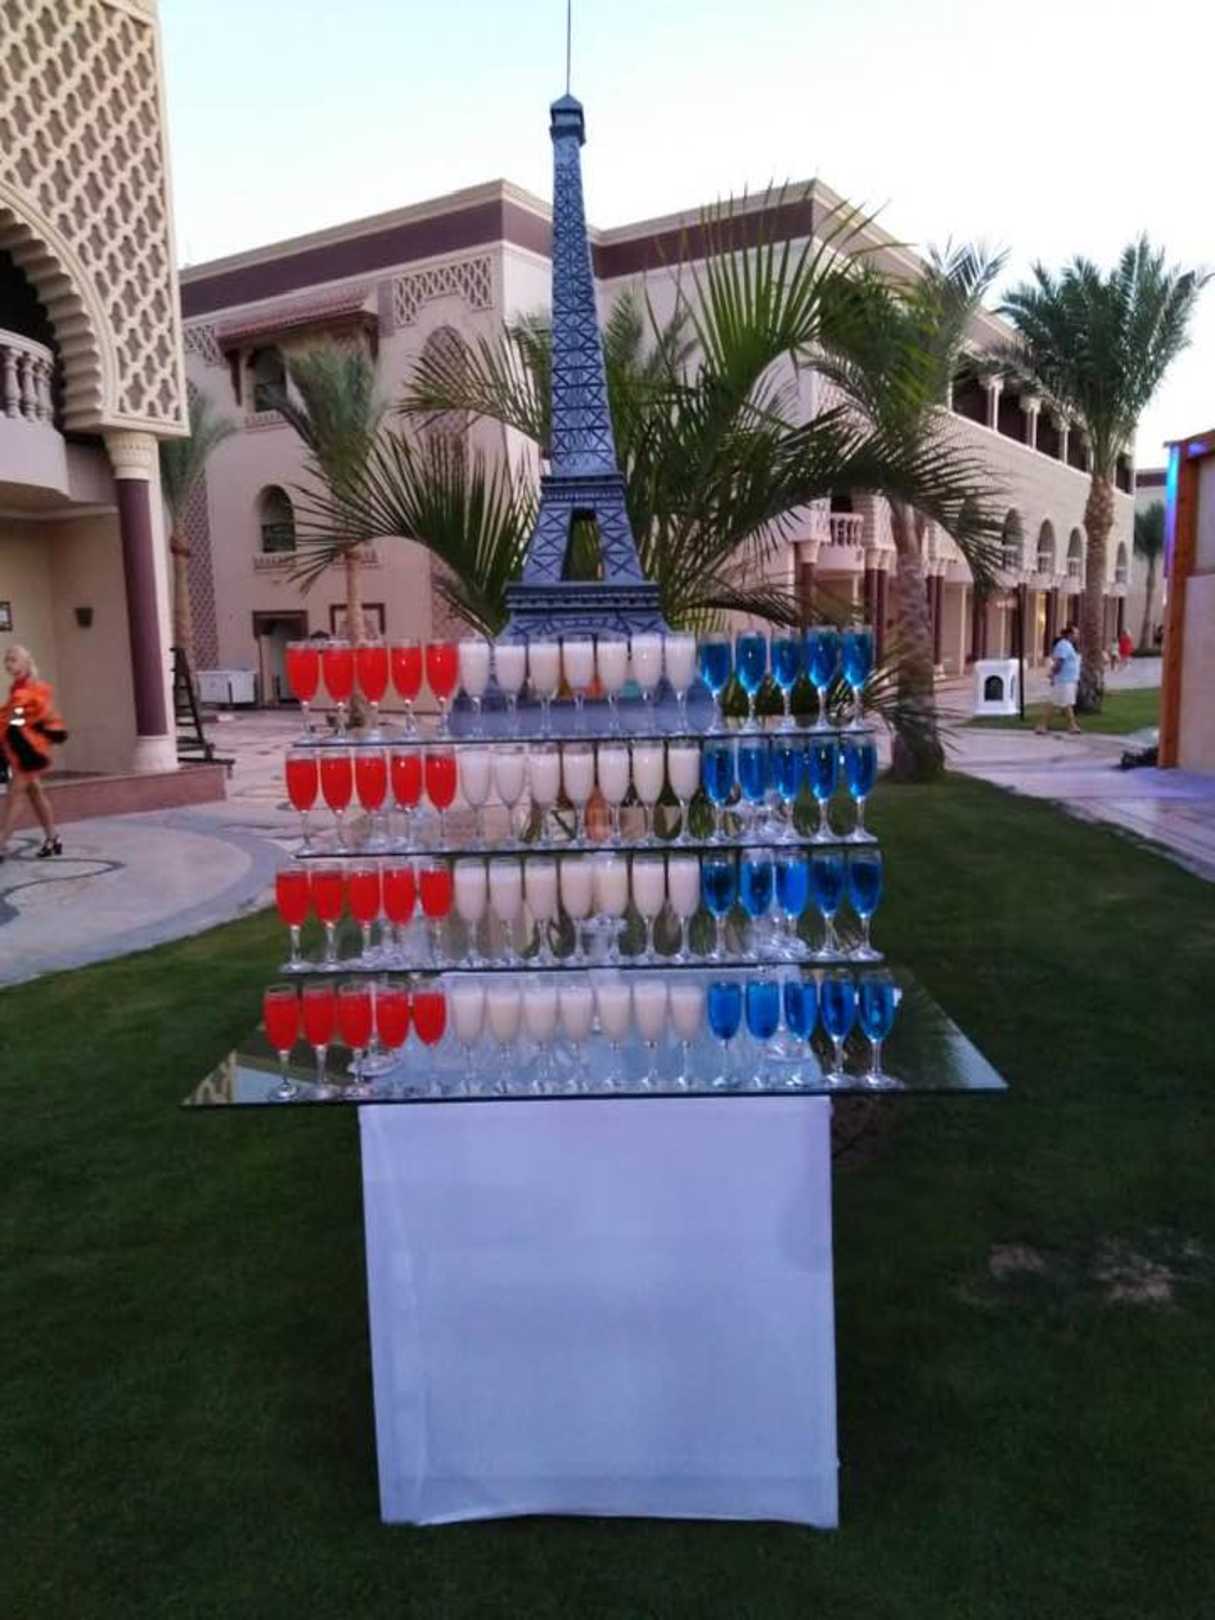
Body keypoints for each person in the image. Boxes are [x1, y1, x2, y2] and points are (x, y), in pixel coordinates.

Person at [0, 645, 67, 860]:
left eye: (13, 660)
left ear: (25, 662)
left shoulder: (28, 689)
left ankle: (1, 843)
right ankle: (53, 838)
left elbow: (22, 721)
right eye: (7, 660)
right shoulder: (19, 688)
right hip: (25, 749)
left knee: (15, 795)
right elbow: (17, 720)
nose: (8, 664)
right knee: (35, 792)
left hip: (30, 751)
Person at [1036, 623, 1081, 736]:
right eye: (1076, 634)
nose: (1078, 636)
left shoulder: (1068, 645)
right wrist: (1053, 674)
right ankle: (1071, 726)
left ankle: (1044, 726)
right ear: (1070, 634)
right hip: (1064, 680)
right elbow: (1059, 663)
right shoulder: (1063, 645)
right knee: (1063, 703)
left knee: (1060, 703)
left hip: (1068, 680)